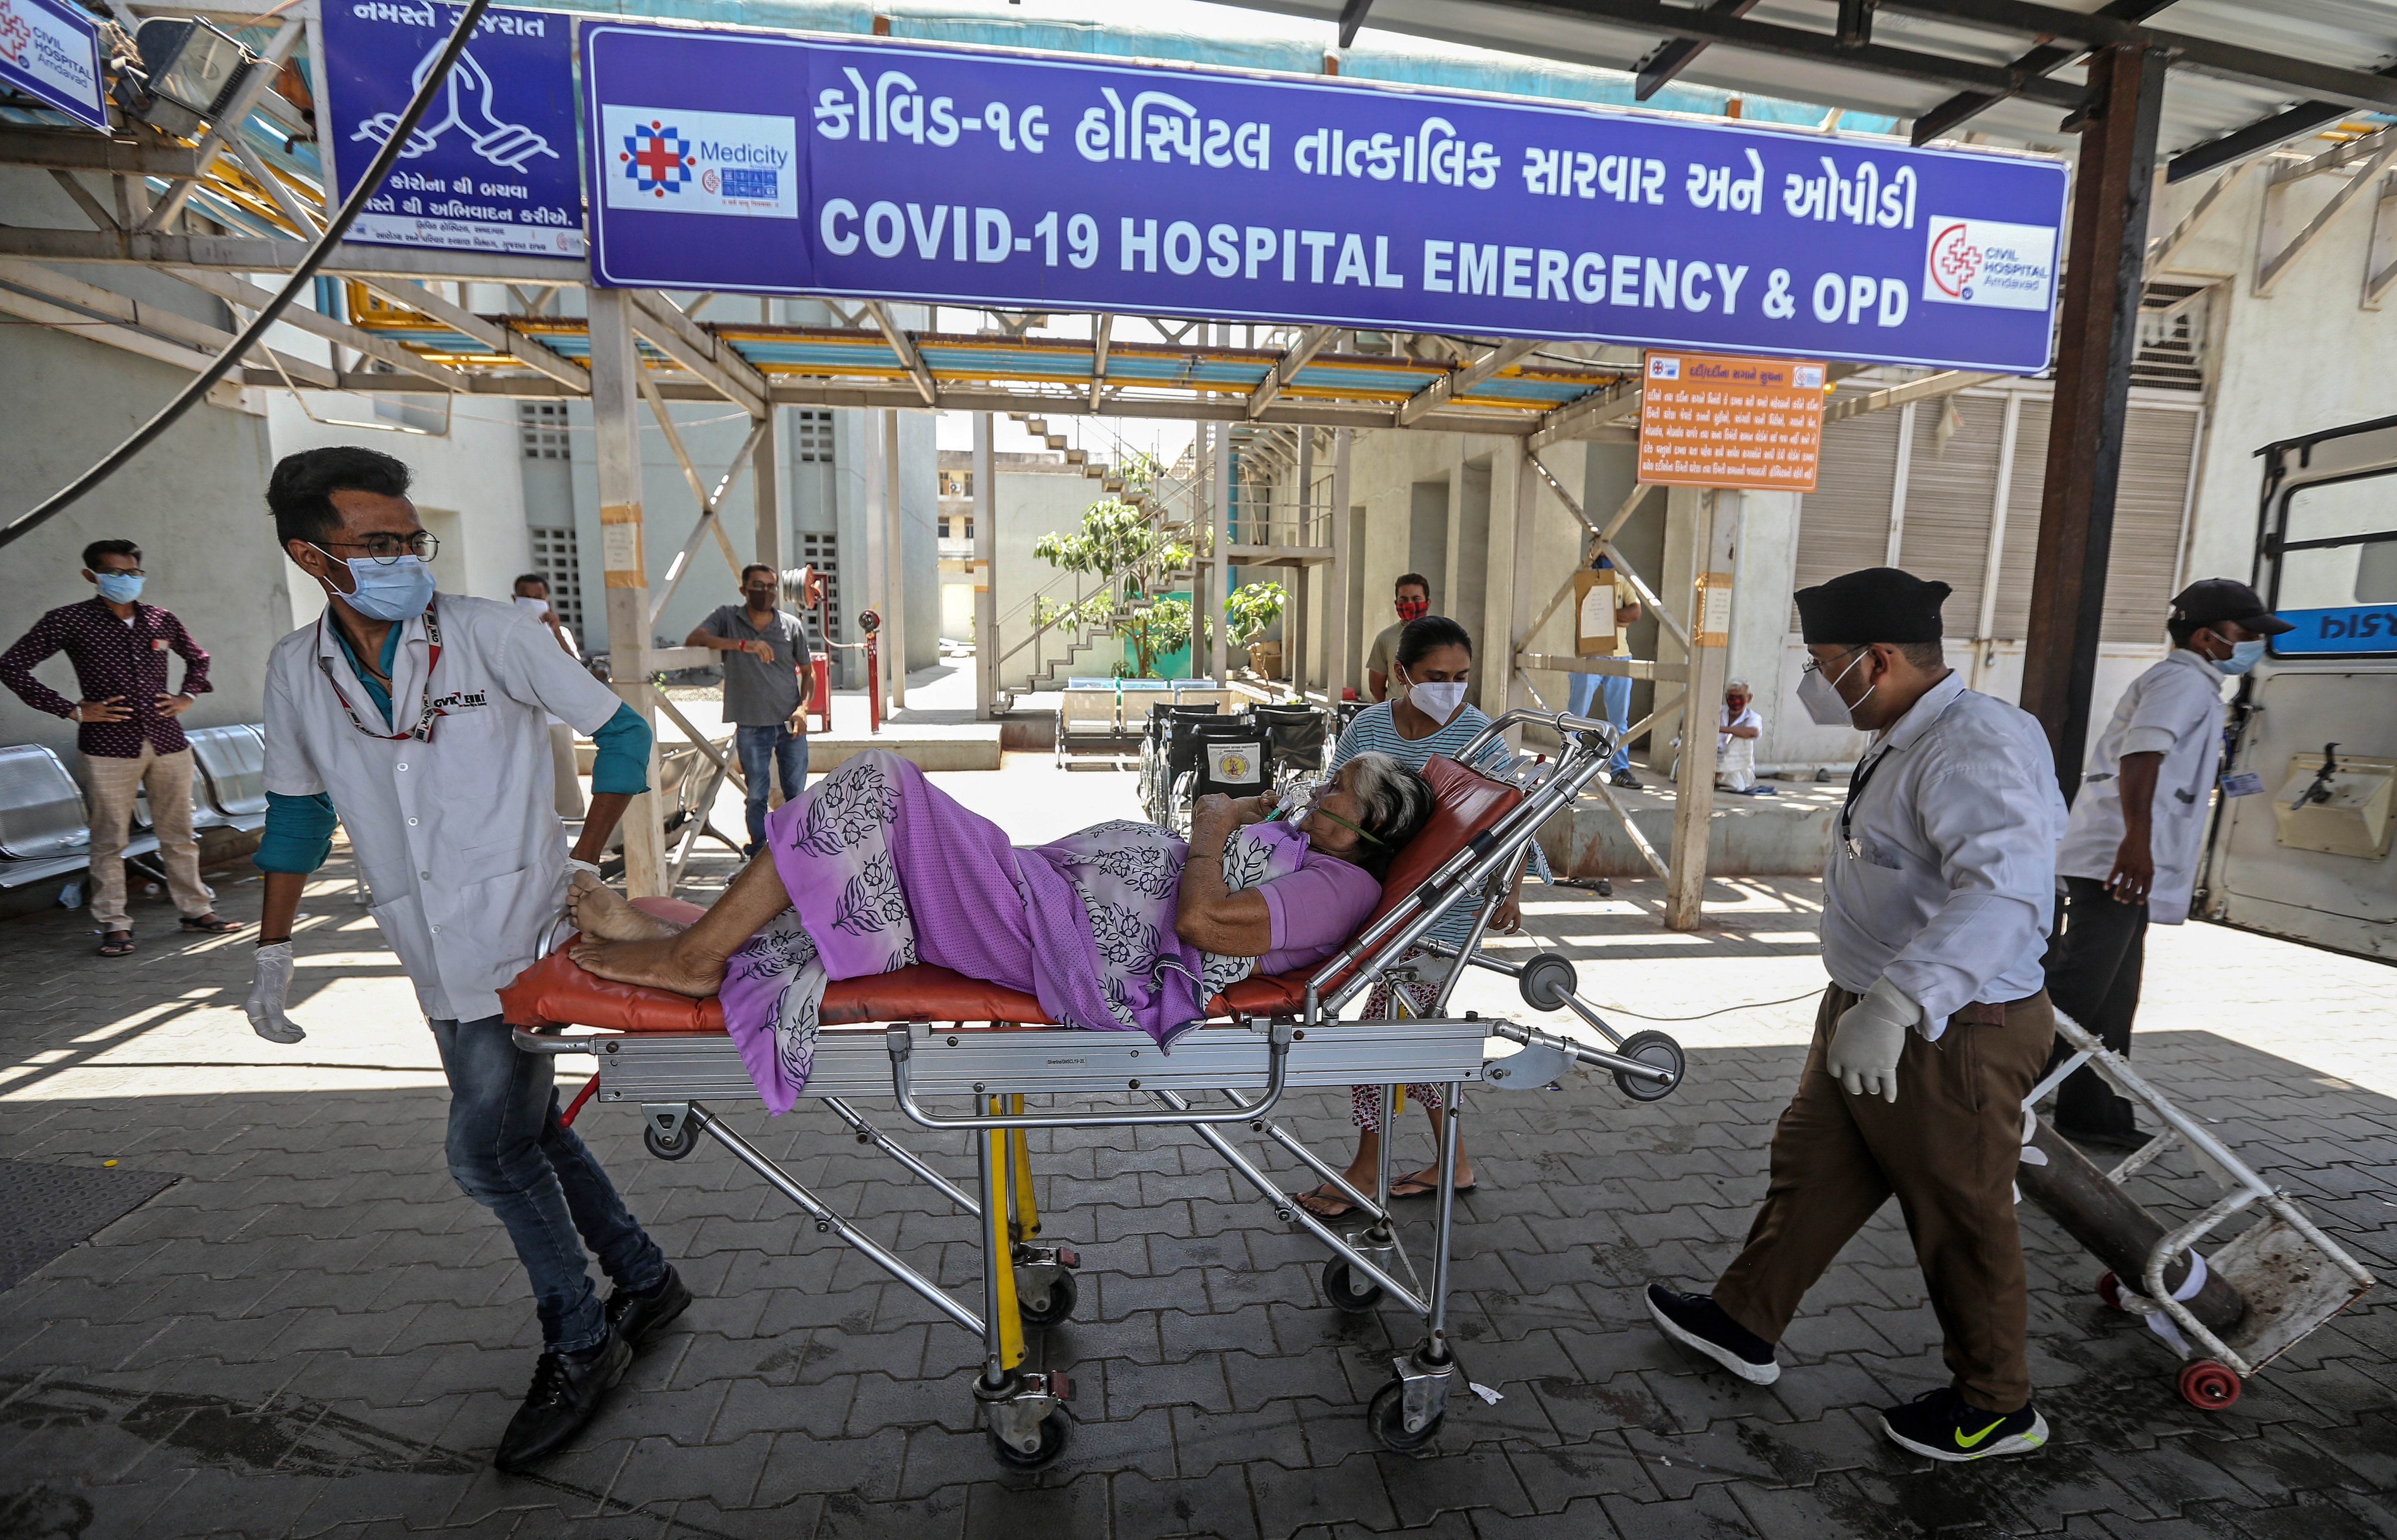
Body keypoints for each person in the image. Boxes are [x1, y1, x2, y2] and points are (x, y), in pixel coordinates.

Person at [240, 447, 689, 1472]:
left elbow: (624, 736)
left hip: (522, 930)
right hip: (423, 934)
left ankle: (581, 1336)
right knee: (523, 1128)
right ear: (313, 554)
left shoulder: (497, 633)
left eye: (412, 539)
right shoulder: (293, 670)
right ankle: (645, 1277)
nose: (405, 558)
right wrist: (273, 949)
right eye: (378, 543)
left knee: (483, 1149)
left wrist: (580, 864)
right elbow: (297, 816)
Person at [1643, 567, 2068, 1463]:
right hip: (1870, 1005)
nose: (1810, 677)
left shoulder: (1971, 742)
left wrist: (1900, 999)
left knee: (1959, 1211)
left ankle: (1996, 1403)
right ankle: (1741, 1317)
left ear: (1876, 658)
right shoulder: (1906, 729)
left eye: (1820, 660)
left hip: (1947, 1026)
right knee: (1813, 1162)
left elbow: (2005, 891)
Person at [563, 750, 1437, 1113]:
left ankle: (690, 954)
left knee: (882, 786)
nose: (1321, 793)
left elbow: (1203, 918)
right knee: (873, 842)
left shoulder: (1336, 890)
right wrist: (1244, 819)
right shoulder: (1316, 856)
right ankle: (672, 935)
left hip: (1067, 943)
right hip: (1052, 900)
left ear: (1371, 827)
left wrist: (1210, 821)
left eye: (1338, 794)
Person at [1295, 615, 1548, 1218]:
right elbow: (1334, 802)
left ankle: (1365, 1168)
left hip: (1446, 907)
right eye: (1437, 677)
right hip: (1383, 899)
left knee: (1381, 1038)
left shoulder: (1479, 732)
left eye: (1462, 677)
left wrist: (1512, 891)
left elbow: (1513, 815)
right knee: (1421, 1035)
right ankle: (1452, 1160)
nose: (1451, 690)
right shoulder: (1370, 728)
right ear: (1402, 674)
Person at [2042, 579, 2288, 1150]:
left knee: (2111, 996)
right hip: (2117, 857)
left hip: (2126, 854)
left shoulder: (2195, 685)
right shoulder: (2179, 681)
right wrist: (2136, 843)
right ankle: (1993, 1098)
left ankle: (2092, 1110)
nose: (2253, 643)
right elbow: (2141, 756)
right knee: (2081, 988)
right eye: (2245, 634)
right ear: (2206, 637)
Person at [0, 538, 242, 954]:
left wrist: (187, 696)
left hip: (168, 741)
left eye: (133, 573)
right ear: (91, 576)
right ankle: (114, 923)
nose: (126, 580)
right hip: (107, 745)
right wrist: (72, 710)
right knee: (109, 838)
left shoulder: (160, 619)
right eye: (115, 573)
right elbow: (11, 665)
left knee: (180, 832)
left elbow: (198, 658)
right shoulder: (69, 621)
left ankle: (196, 909)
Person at [688, 564, 812, 855]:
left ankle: (796, 853)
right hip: (751, 725)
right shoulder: (728, 618)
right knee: (756, 794)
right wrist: (743, 645)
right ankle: (759, 854)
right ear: (744, 590)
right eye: (758, 586)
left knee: (795, 795)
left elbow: (809, 673)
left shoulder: (790, 625)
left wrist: (802, 710)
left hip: (789, 724)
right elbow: (695, 639)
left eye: (771, 587)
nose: (765, 592)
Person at [512, 573, 587, 821]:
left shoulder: (559, 633)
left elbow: (574, 670)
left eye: (538, 597)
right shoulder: (505, 632)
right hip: (516, 720)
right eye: (526, 597)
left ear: (547, 601)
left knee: (563, 784)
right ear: (514, 599)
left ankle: (571, 834)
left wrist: (555, 631)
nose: (533, 602)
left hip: (554, 720)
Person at [1564, 553, 1643, 789]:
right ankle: (1567, 767)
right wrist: (1619, 617)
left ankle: (1620, 770)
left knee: (1619, 720)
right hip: (1589, 656)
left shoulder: (1622, 581)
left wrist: (1607, 616)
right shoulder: (1581, 581)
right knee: (1576, 717)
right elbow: (1585, 616)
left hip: (1620, 657)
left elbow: (1635, 613)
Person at [1364, 572, 1431, 702]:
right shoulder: (1385, 638)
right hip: (1397, 716)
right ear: (1396, 604)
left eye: (1416, 599)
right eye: (1404, 600)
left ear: (1428, 603)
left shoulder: (1442, 636)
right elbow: (1376, 686)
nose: (1410, 604)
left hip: (1434, 715)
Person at [1715, 679, 1769, 794]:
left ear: (1749, 698)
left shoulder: (1753, 717)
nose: (1735, 701)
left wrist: (1718, 729)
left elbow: (1753, 732)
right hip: (1713, 761)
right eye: (1732, 697)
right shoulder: (1716, 712)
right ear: (1726, 697)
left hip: (1738, 767)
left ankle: (1715, 777)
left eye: (1740, 697)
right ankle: (1714, 777)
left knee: (1742, 739)